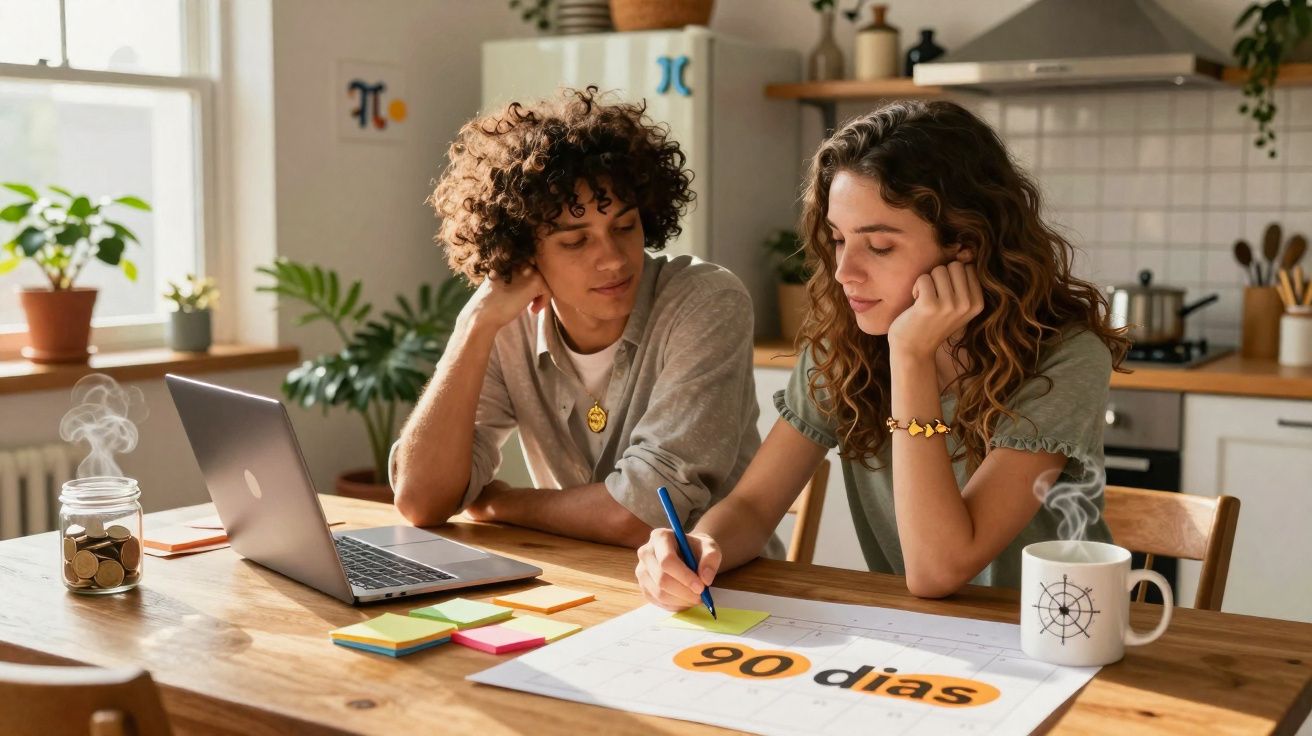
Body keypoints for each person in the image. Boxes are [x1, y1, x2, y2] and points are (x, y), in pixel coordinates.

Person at [635, 99, 1130, 605]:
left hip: (1055, 632)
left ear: (966, 243)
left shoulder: (1064, 359)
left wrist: (911, 356)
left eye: (880, 246)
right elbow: (755, 506)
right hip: (921, 639)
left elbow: (938, 570)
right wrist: (701, 545)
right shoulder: (844, 345)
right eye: (837, 239)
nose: (845, 271)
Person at [391, 88, 774, 554]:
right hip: (575, 582)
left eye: (625, 227)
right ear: (523, 253)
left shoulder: (704, 302)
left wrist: (503, 505)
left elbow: (642, 516)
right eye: (576, 242)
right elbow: (420, 502)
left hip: (717, 594)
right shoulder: (507, 325)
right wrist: (472, 328)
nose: (612, 259)